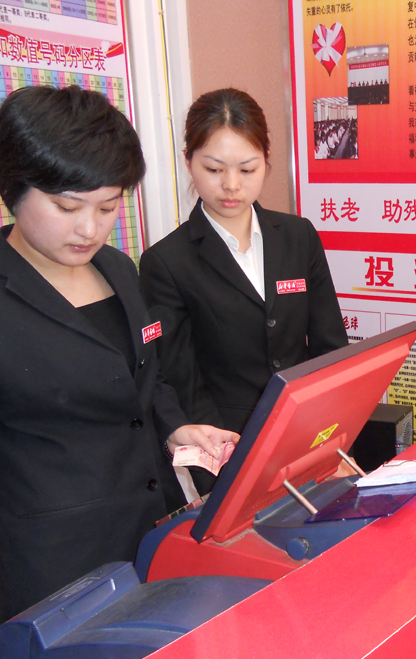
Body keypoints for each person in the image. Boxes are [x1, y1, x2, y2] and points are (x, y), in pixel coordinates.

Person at [0, 86, 238, 659]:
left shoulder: (117, 269)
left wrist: (176, 429)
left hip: (157, 547)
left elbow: (144, 382)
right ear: (14, 189)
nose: (89, 228)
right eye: (66, 206)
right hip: (65, 585)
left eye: (108, 206)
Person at [140, 88, 348, 493]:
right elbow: (183, 382)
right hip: (230, 453)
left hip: (310, 438)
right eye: (214, 169)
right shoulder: (166, 262)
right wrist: (226, 474)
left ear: (266, 163)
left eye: (247, 169)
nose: (231, 185)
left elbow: (330, 347)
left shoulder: (298, 236)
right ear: (188, 161)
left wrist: (335, 438)